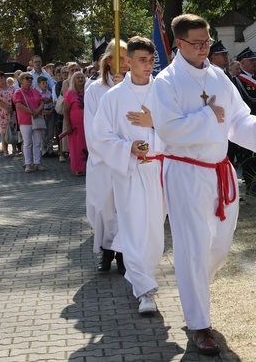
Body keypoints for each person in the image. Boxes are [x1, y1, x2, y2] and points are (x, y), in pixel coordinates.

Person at [149, 14, 256, 356]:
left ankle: (194, 291)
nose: (205, 48)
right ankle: (199, 324)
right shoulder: (166, 82)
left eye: (207, 42)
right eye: (197, 43)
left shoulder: (218, 76)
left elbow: (236, 118)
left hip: (220, 170)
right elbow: (169, 130)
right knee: (192, 246)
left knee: (218, 245)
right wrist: (208, 117)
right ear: (179, 43)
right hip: (186, 172)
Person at [94, 36, 165, 314]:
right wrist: (128, 148)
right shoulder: (113, 98)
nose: (148, 66)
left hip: (159, 169)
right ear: (129, 61)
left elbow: (180, 129)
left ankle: (142, 275)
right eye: (142, 60)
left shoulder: (164, 93)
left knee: (154, 232)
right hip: (129, 171)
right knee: (134, 228)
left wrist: (155, 122)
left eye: (151, 61)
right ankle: (145, 289)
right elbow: (100, 138)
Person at [84, 41, 128, 274]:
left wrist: (124, 91)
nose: (125, 63)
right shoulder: (95, 89)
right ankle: (106, 249)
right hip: (103, 159)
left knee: (124, 206)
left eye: (127, 58)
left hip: (127, 156)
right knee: (103, 206)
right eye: (120, 57)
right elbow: (93, 127)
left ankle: (121, 252)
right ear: (109, 60)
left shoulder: (135, 87)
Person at [231, 48, 256, 200]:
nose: (255, 62)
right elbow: (240, 103)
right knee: (249, 155)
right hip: (248, 121)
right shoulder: (238, 80)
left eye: (254, 60)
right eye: (251, 60)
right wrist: (255, 105)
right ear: (243, 63)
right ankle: (251, 183)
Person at [13, 72, 46, 173]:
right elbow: (18, 105)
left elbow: (42, 102)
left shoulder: (35, 91)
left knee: (37, 143)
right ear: (21, 80)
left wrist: (37, 110)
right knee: (27, 143)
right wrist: (32, 112)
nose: (30, 80)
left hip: (36, 119)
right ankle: (27, 164)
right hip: (25, 120)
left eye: (31, 78)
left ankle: (37, 163)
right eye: (27, 78)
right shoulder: (18, 92)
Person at [63, 70, 87, 176]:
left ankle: (87, 167)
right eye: (78, 78)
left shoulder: (88, 91)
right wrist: (68, 125)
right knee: (76, 148)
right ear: (74, 80)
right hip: (75, 126)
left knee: (86, 146)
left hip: (86, 125)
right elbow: (66, 110)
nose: (81, 79)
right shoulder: (70, 93)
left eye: (82, 77)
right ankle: (78, 168)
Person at [37, 76, 55, 157]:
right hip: (42, 113)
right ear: (39, 84)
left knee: (50, 132)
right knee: (43, 132)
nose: (45, 85)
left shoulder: (49, 92)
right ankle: (44, 150)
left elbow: (53, 103)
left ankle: (50, 149)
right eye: (43, 83)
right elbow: (37, 104)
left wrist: (50, 111)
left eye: (46, 83)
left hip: (50, 112)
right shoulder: (37, 93)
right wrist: (43, 112)